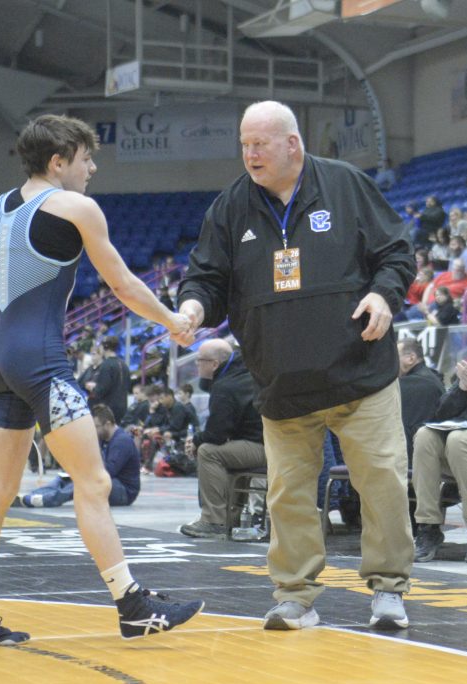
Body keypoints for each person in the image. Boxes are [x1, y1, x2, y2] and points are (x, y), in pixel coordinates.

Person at [0, 114, 202, 646]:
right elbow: (123, 285)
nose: (92, 169)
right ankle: (133, 606)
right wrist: (171, 320)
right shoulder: (76, 208)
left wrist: (4, 358)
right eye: (86, 159)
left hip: (0, 358)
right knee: (94, 482)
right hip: (39, 360)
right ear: (58, 161)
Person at [176, 101, 415, 631]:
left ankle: (389, 588)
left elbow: (397, 252)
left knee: (382, 483)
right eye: (244, 144)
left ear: (292, 143)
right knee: (287, 496)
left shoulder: (346, 185)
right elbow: (207, 278)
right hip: (281, 382)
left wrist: (383, 295)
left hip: (359, 373)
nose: (250, 154)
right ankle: (295, 597)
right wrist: (192, 309)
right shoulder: (230, 207)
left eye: (260, 143)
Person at [412, 338, 467, 563]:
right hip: (462, 439)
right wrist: (462, 388)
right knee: (424, 435)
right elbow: (441, 412)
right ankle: (428, 526)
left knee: (459, 439)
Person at [179, 338, 265, 539]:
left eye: (200, 360)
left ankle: (214, 521)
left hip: (261, 448)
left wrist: (195, 441)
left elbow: (216, 434)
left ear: (214, 364)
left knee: (208, 452)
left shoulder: (225, 386)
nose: (196, 364)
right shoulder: (245, 371)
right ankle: (230, 517)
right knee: (225, 451)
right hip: (270, 444)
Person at [14, 404, 142, 508]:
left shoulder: (121, 441)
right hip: (110, 482)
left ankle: (45, 500)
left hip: (124, 491)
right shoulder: (105, 438)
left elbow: (109, 471)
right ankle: (31, 497)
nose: (93, 430)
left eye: (96, 427)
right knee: (64, 478)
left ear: (108, 424)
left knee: (84, 482)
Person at [397, 338, 445, 464]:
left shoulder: (413, 384)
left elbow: (405, 432)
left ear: (411, 358)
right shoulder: (430, 378)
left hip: (415, 464)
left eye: (394, 357)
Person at [86, 335, 131, 424]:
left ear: (104, 347)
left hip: (109, 409)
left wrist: (93, 388)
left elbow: (101, 389)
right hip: (123, 407)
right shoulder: (123, 364)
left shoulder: (106, 365)